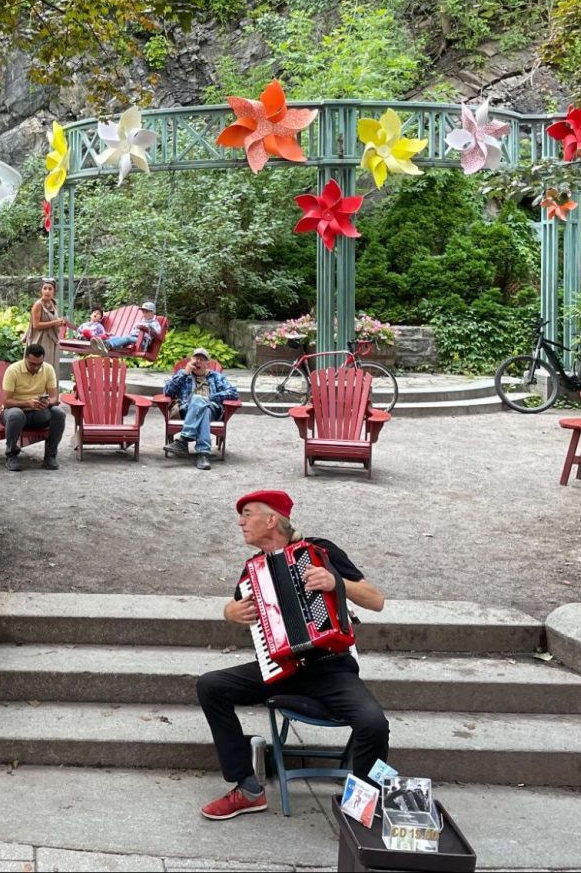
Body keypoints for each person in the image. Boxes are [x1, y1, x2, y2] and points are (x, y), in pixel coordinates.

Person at [196, 490, 389, 821]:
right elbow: (237, 605)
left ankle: (362, 810)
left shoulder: (321, 551)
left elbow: (376, 600)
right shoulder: (253, 570)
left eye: (248, 514)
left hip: (331, 668)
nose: (240, 522)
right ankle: (248, 789)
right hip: (281, 668)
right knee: (211, 686)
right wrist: (231, 611)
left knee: (374, 722)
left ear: (271, 520)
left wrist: (334, 582)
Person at [163, 347, 238, 471]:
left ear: (207, 363)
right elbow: (168, 391)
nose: (198, 361)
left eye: (202, 359)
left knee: (200, 401)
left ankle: (184, 440)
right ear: (191, 360)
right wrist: (184, 373)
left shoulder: (215, 377)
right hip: (187, 410)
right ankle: (203, 455)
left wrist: (210, 397)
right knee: (202, 408)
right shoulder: (184, 375)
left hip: (212, 409)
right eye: (196, 358)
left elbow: (233, 392)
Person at [0, 343, 65, 472]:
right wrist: (27, 403)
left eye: (39, 364)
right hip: (14, 412)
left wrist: (47, 403)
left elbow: (54, 398)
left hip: (39, 412)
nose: (35, 367)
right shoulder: (13, 370)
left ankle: (50, 456)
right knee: (15, 415)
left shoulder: (48, 369)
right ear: (25, 359)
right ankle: (11, 455)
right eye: (32, 364)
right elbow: (6, 402)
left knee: (59, 413)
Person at [93, 300, 164, 355]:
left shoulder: (154, 323)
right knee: (118, 337)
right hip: (133, 338)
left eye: (146, 312)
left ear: (152, 312)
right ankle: (103, 343)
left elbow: (158, 332)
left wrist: (149, 328)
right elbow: (134, 329)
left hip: (143, 341)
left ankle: (109, 345)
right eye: (143, 312)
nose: (144, 314)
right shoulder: (142, 321)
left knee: (127, 338)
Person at [25, 277, 69, 362]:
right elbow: (36, 325)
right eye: (45, 288)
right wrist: (54, 322)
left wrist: (59, 322)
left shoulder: (54, 304)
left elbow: (53, 320)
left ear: (54, 291)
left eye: (50, 289)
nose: (47, 291)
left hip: (52, 340)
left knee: (51, 366)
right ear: (41, 290)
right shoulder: (38, 305)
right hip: (40, 340)